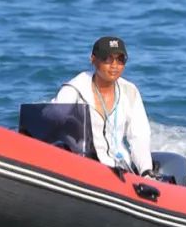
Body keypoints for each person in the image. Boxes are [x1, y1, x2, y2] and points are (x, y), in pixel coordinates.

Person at [55, 36, 153, 173]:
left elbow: (139, 136)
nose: (114, 65)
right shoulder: (74, 90)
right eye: (108, 59)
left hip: (119, 169)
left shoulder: (130, 91)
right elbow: (53, 125)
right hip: (82, 165)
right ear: (93, 60)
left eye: (120, 59)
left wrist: (146, 171)